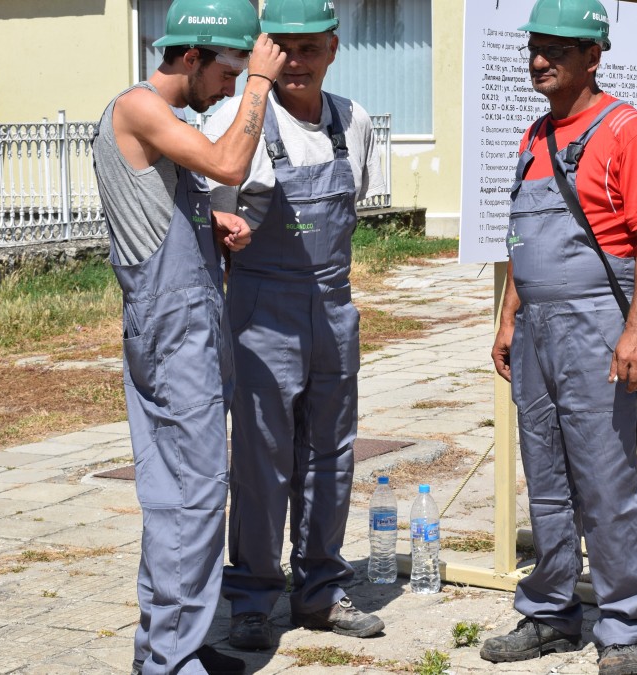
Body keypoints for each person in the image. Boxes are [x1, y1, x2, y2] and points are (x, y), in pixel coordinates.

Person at [91, 0, 284, 673]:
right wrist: (262, 79)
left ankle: (180, 645)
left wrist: (211, 228)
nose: (231, 86)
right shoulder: (138, 107)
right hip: (175, 332)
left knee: (191, 490)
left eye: (240, 75)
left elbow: (158, 215)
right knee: (190, 494)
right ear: (193, 56)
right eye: (228, 70)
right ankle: (170, 660)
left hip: (190, 325)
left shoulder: (166, 123)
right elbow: (232, 165)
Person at [484, 1, 637, 674]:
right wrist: (510, 314)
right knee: (547, 477)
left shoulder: (627, 131)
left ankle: (626, 623)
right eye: (536, 46)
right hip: (535, 329)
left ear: (593, 56)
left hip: (599, 327)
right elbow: (521, 238)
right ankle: (550, 611)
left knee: (604, 475)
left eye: (557, 49)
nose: (540, 58)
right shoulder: (534, 135)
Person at [201, 0, 387, 651]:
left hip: (333, 309)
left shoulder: (353, 121)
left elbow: (355, 198)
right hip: (262, 314)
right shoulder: (239, 118)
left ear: (334, 47)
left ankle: (320, 590)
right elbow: (210, 216)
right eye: (283, 47)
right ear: (263, 50)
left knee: (332, 456)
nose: (297, 61)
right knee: (260, 460)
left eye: (310, 47)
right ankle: (252, 594)